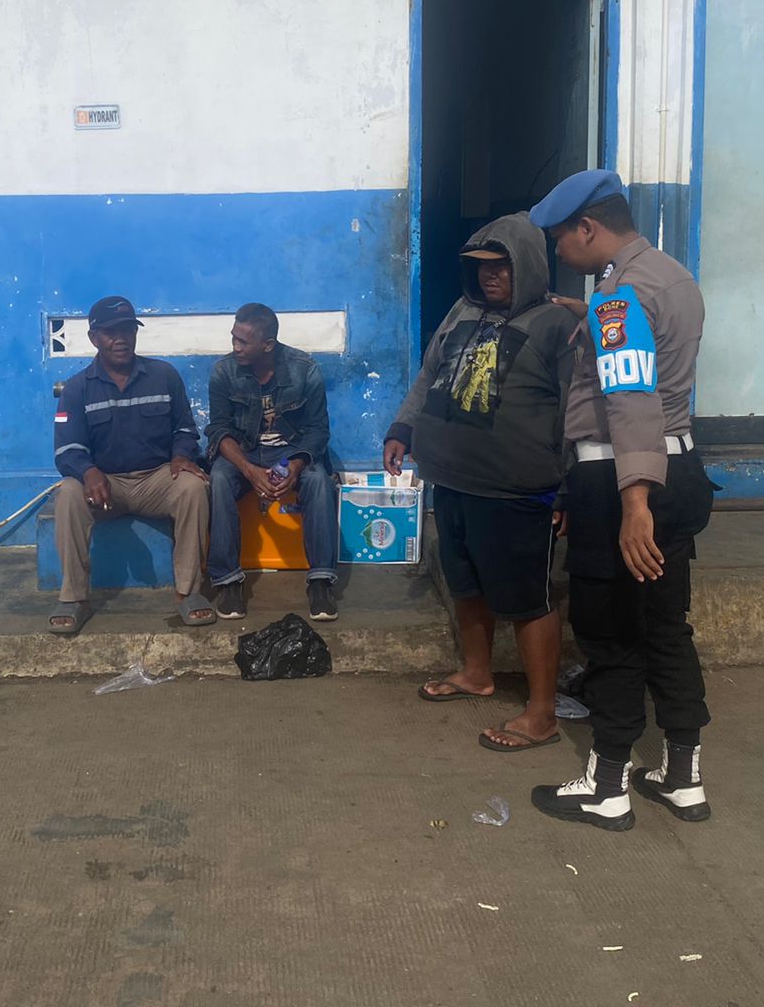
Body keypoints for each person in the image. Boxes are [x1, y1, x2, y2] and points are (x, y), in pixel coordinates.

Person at [527, 169, 715, 831]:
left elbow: (631, 397)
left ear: (588, 228)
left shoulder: (618, 298)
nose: (559, 250)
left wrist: (635, 504)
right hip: (680, 466)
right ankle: (683, 777)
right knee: (666, 627)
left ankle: (606, 787)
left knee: (610, 634)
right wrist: (588, 319)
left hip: (622, 479)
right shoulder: (671, 278)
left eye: (560, 238)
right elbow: (652, 360)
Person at [383, 214, 577, 752]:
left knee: (528, 598)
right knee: (465, 584)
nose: (489, 276)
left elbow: (577, 411)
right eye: (480, 267)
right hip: (451, 480)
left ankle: (542, 713)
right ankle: (476, 673)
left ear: (528, 266)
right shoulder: (462, 312)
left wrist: (569, 487)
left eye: (501, 266)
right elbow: (429, 375)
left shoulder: (557, 326)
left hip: (516, 490)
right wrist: (402, 428)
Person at [51, 294, 216, 634]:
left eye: (127, 330)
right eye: (110, 332)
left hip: (156, 479)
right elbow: (67, 449)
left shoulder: (164, 376)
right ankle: (74, 598)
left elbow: (186, 429)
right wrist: (88, 471)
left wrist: (181, 454)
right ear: (94, 338)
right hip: (106, 487)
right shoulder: (77, 389)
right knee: (68, 493)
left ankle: (188, 592)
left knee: (193, 486)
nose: (121, 339)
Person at [205, 303, 340, 622]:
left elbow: (318, 430)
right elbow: (219, 430)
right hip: (245, 453)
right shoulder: (224, 371)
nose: (235, 346)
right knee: (219, 478)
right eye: (233, 338)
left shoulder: (304, 369)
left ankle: (320, 582)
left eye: (243, 341)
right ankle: (228, 582)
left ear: (268, 344)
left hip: (289, 452)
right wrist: (249, 470)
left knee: (318, 480)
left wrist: (295, 464)